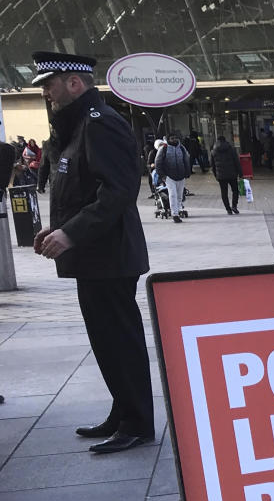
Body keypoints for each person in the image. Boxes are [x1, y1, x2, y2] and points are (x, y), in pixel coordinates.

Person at [31, 50, 153, 454]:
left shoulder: (101, 124)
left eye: (49, 84)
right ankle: (122, 412)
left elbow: (118, 191)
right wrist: (60, 229)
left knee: (121, 339)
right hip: (93, 254)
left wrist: (72, 234)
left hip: (111, 255)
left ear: (74, 83)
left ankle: (137, 422)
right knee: (104, 339)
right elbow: (81, 190)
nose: (45, 92)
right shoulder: (77, 126)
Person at [155, 132, 191, 222]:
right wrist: (163, 175)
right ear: (168, 139)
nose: (174, 140)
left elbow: (186, 160)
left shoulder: (182, 148)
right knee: (173, 194)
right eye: (172, 138)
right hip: (169, 176)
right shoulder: (164, 149)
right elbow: (158, 163)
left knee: (179, 195)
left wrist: (187, 172)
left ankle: (179, 210)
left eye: (175, 138)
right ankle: (175, 214)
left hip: (181, 175)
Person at [211, 133, 243, 214]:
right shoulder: (231, 149)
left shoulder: (213, 151)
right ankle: (234, 206)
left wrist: (216, 175)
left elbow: (213, 165)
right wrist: (240, 173)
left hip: (221, 176)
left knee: (224, 192)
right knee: (235, 190)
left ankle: (228, 209)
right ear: (225, 140)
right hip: (232, 174)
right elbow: (237, 162)